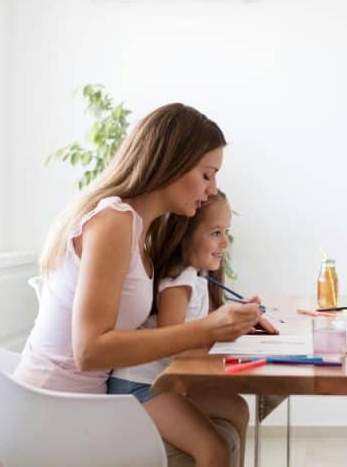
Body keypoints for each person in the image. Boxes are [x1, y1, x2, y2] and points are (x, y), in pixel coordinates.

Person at [14, 103, 262, 467]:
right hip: (57, 411)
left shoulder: (136, 228)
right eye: (207, 174)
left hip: (82, 400)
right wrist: (204, 329)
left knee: (232, 407)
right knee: (214, 445)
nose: (212, 190)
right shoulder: (114, 221)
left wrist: (220, 328)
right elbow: (90, 351)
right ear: (173, 163)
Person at [114, 191, 274, 466]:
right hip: (140, 388)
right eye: (215, 233)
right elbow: (175, 345)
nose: (225, 242)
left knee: (236, 407)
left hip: (162, 384)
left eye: (226, 232)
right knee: (214, 450)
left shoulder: (197, 279)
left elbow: (202, 328)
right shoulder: (178, 282)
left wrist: (237, 322)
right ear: (185, 236)